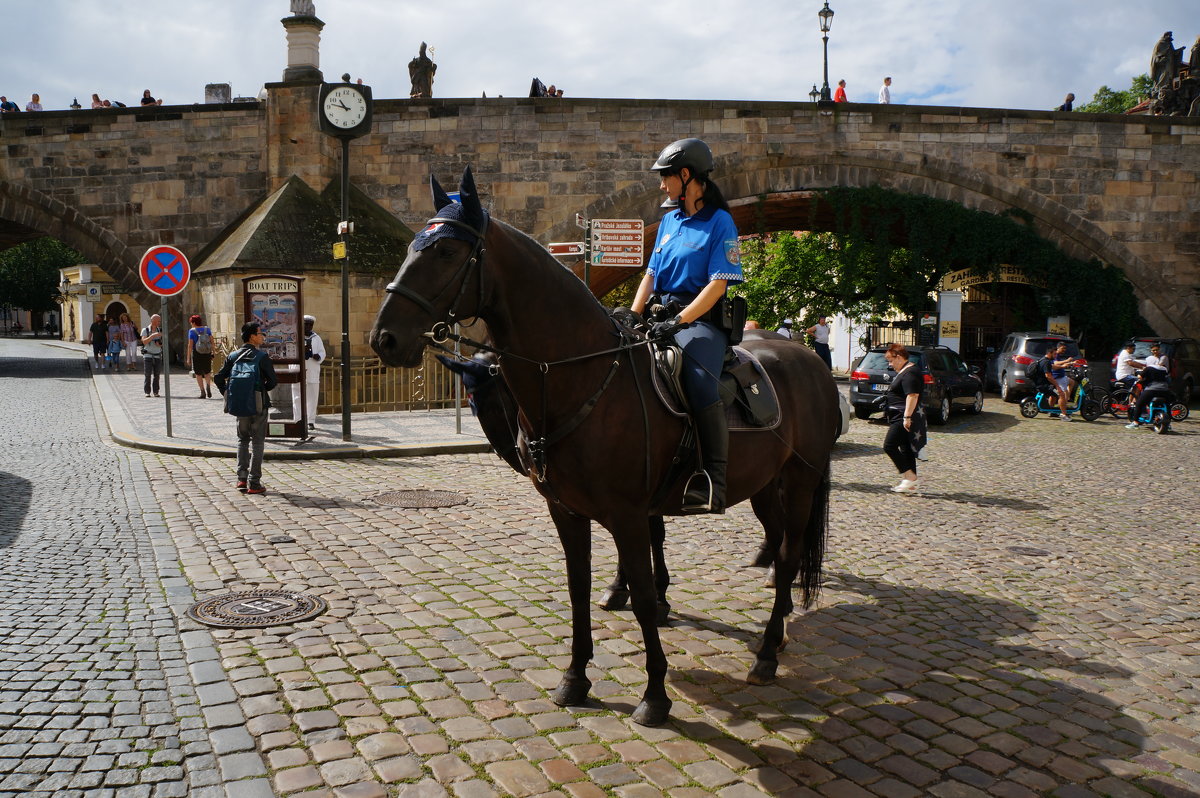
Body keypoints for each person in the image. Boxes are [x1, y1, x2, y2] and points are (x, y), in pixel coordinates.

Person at [631, 137, 743, 514]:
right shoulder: (668, 220)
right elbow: (650, 274)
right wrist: (634, 315)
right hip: (659, 317)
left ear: (686, 175)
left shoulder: (720, 222)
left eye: (666, 177)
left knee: (697, 379)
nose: (661, 185)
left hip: (701, 324)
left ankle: (714, 479)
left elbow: (718, 284)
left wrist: (681, 320)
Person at [214, 322, 278, 495]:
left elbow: (218, 377)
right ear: (252, 336)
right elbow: (272, 382)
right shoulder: (262, 357)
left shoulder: (233, 356)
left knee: (242, 440)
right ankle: (254, 483)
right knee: (258, 442)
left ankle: (241, 479)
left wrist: (228, 394)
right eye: (260, 333)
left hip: (240, 405)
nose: (262, 336)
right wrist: (259, 390)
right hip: (258, 405)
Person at [881, 344, 925, 493]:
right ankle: (911, 484)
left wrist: (906, 417)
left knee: (889, 445)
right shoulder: (906, 370)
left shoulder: (910, 372)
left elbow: (912, 395)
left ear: (899, 357)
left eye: (891, 361)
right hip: (900, 415)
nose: (890, 364)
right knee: (906, 448)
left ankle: (910, 476)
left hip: (903, 416)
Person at [291, 314, 326, 431]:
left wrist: (318, 356)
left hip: (312, 370)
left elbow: (322, 352)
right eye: (306, 324)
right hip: (298, 370)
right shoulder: (295, 336)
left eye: (311, 325)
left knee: (312, 396)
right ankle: (298, 419)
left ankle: (310, 421)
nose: (308, 327)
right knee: (297, 396)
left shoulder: (316, 338)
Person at [1127, 362, 1173, 429]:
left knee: (1139, 403)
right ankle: (1168, 424)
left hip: (1152, 390)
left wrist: (1138, 375)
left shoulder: (1148, 368)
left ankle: (1135, 422)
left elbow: (1140, 377)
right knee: (1167, 405)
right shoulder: (1164, 369)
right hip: (1164, 390)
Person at [186, 314, 216, 399]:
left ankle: (202, 391)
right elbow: (212, 341)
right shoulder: (207, 329)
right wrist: (213, 352)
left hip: (197, 353)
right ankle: (208, 385)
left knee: (198, 373)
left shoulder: (192, 331)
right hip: (207, 352)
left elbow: (190, 345)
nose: (191, 324)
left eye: (191, 322)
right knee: (207, 372)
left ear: (194, 322)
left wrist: (188, 358)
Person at [1049, 341, 1075, 420]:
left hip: (1062, 377)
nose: (1064, 350)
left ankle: (1055, 409)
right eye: (1062, 348)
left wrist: (1071, 363)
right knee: (1062, 395)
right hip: (1058, 378)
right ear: (1058, 348)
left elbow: (1060, 364)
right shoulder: (1056, 355)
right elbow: (1056, 363)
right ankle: (1063, 413)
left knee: (1071, 382)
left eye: (1065, 349)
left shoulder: (1058, 355)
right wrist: (1067, 361)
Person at [140, 314, 165, 397]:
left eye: (159, 321)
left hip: (157, 355)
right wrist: (153, 336)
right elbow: (144, 341)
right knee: (147, 374)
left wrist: (160, 344)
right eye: (158, 321)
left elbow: (164, 342)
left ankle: (156, 391)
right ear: (153, 321)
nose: (159, 322)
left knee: (157, 375)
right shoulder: (145, 330)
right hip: (148, 355)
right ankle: (147, 392)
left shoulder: (160, 330)